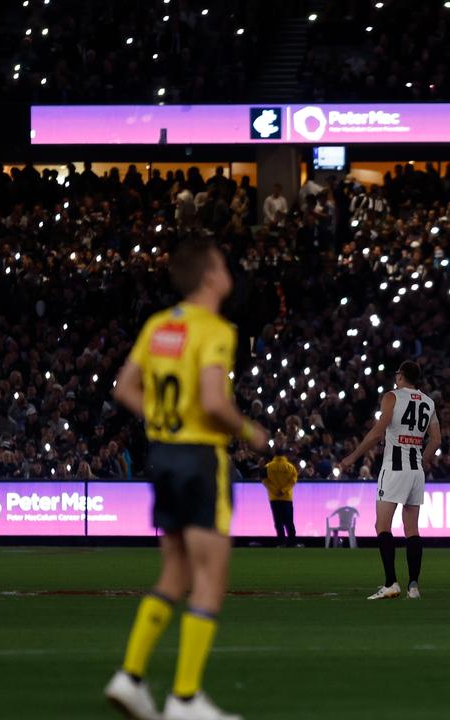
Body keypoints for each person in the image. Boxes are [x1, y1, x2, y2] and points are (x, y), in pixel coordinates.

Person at [104, 237, 270, 720]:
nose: (227, 271)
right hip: (200, 458)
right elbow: (215, 402)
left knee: (175, 571)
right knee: (209, 578)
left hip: (164, 456)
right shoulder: (215, 330)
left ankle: (130, 677)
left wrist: (163, 419)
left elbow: (124, 387)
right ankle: (184, 697)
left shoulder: (159, 326)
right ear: (210, 276)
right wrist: (250, 431)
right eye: (221, 264)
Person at [337, 360, 441, 600]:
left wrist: (350, 458)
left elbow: (377, 433)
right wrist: (421, 460)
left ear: (401, 376)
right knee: (412, 529)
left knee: (382, 526)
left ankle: (391, 582)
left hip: (394, 469)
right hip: (416, 470)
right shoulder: (428, 401)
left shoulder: (392, 397)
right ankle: (413, 586)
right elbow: (436, 440)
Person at [263, 449, 299, 547]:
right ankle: (292, 542)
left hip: (274, 498)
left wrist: (275, 491)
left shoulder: (268, 467)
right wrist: (283, 490)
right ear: (284, 455)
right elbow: (293, 480)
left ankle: (281, 542)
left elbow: (264, 480)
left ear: (275, 455)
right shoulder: (290, 467)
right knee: (289, 521)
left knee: (278, 522)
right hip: (286, 498)